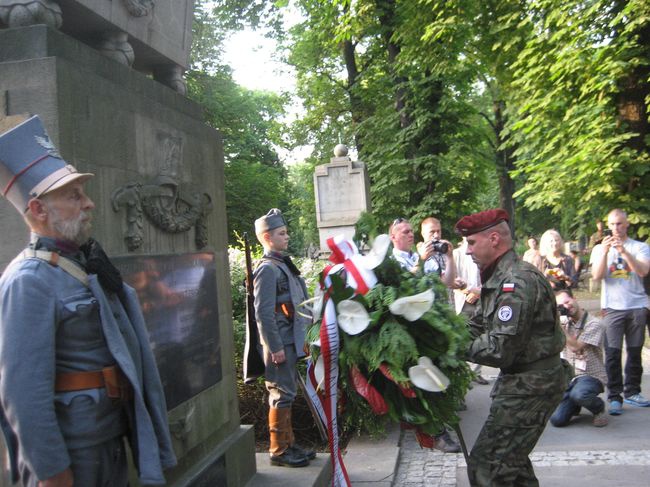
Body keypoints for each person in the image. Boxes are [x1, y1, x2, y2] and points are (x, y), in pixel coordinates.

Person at [0, 114, 176, 486]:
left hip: (107, 439)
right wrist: (53, 475)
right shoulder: (28, 281)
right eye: (73, 196)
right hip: (73, 456)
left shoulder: (76, 264)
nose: (89, 204)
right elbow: (22, 396)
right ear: (38, 210)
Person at [454, 208, 570, 487]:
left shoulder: (515, 283)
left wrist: (455, 347)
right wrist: (438, 336)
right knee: (513, 470)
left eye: (471, 242)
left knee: (487, 469)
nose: (467, 251)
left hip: (531, 387)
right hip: (523, 385)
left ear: (494, 239)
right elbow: (476, 325)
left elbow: (499, 349)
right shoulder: (498, 279)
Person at [388, 217, 462, 454]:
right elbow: (402, 291)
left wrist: (449, 257)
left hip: (430, 326)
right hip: (408, 331)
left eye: (411, 231)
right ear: (393, 237)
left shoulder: (422, 257)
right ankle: (436, 432)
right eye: (405, 232)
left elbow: (447, 283)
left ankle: (433, 423)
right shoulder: (389, 261)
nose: (410, 235)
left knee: (432, 376)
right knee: (423, 378)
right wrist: (420, 261)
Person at [253, 209, 314, 467]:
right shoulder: (267, 269)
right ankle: (278, 450)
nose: (287, 237)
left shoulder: (282, 264)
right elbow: (263, 312)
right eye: (282, 233)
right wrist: (275, 346)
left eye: (286, 232)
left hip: (291, 340)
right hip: (279, 344)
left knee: (288, 392)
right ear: (267, 237)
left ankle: (289, 443)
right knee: (280, 393)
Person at [589, 208, 650, 414]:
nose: (615, 228)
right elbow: (597, 276)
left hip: (636, 306)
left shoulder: (640, 247)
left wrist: (623, 251)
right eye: (612, 224)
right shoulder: (599, 249)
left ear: (627, 224)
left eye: (619, 224)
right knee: (613, 353)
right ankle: (615, 396)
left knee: (634, 352)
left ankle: (633, 392)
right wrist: (606, 252)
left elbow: (643, 271)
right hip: (612, 307)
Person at [550, 290, 608, 428]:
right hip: (570, 376)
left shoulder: (594, 324)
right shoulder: (565, 322)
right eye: (561, 306)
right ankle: (575, 405)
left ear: (574, 299)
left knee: (580, 394)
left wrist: (559, 326)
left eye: (567, 301)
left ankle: (599, 408)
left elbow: (576, 347)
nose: (566, 306)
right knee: (557, 420)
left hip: (591, 375)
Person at [453, 238, 488, 385]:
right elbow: (452, 277)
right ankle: (462, 374)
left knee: (481, 334)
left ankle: (476, 372)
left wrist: (479, 291)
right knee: (462, 337)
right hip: (463, 300)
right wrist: (468, 290)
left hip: (481, 297)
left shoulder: (483, 252)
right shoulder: (457, 254)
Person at [416, 217, 457, 288]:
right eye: (432, 232)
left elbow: (449, 282)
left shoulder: (444, 252)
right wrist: (422, 259)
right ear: (423, 233)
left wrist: (450, 257)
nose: (436, 235)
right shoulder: (417, 254)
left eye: (438, 231)